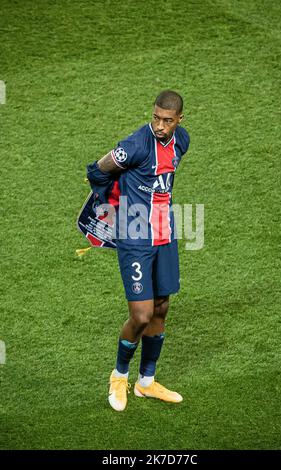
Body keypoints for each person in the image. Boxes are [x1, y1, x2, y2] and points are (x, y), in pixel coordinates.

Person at [87, 90, 190, 411]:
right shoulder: (133, 146)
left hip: (165, 234)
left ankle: (146, 382)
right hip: (134, 236)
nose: (160, 125)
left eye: (167, 121)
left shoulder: (182, 140)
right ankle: (119, 376)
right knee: (142, 314)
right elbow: (97, 169)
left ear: (179, 121)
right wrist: (110, 203)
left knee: (160, 308)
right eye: (156, 118)